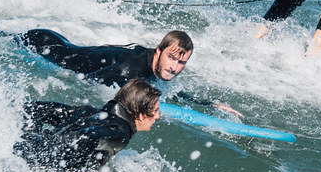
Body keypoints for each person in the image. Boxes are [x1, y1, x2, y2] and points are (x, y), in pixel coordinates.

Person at [14, 29, 240, 116]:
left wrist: (210, 104)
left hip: (62, 43)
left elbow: (174, 91)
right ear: (159, 51)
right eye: (171, 58)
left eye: (182, 63)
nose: (174, 68)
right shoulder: (132, 69)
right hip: (46, 47)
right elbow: (88, 80)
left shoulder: (158, 68)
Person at [14, 78, 161, 172]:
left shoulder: (89, 111)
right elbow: (85, 137)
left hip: (25, 145)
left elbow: (32, 108)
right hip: (36, 162)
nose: (157, 116)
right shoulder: (119, 133)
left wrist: (32, 133)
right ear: (139, 113)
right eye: (155, 111)